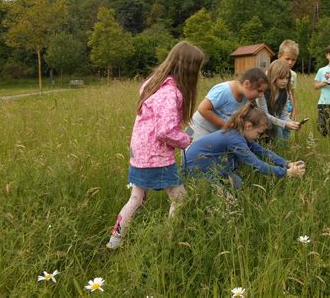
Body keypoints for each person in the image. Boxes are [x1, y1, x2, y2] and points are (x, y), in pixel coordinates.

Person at [107, 41, 205, 249]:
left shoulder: (153, 84)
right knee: (179, 198)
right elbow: (166, 130)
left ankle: (115, 241)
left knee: (136, 198)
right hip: (156, 156)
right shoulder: (171, 93)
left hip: (140, 152)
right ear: (188, 69)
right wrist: (186, 140)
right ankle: (169, 240)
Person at [184, 102, 305, 189]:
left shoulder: (240, 133)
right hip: (197, 167)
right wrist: (286, 173)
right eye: (259, 133)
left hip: (214, 166)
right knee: (226, 201)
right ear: (248, 126)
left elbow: (263, 151)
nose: (258, 137)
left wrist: (287, 163)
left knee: (238, 184)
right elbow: (257, 164)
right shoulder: (234, 138)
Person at [186, 67, 269, 141]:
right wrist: (226, 125)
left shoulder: (245, 98)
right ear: (247, 84)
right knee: (193, 155)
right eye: (259, 91)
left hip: (213, 132)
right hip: (198, 128)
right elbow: (203, 109)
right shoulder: (224, 90)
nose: (261, 95)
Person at [256, 60, 301, 139]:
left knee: (286, 128)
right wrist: (284, 124)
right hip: (259, 121)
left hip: (273, 120)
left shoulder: (285, 92)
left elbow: (284, 115)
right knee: (279, 129)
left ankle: (284, 148)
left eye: (287, 78)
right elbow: (264, 115)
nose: (284, 81)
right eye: (281, 78)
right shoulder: (263, 91)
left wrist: (292, 123)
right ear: (273, 76)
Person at [277, 39, 300, 138]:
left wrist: (295, 109)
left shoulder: (293, 75)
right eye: (287, 59)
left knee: (287, 134)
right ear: (279, 57)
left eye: (293, 60)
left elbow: (292, 93)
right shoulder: (271, 73)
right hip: (276, 111)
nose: (290, 62)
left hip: (288, 110)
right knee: (278, 135)